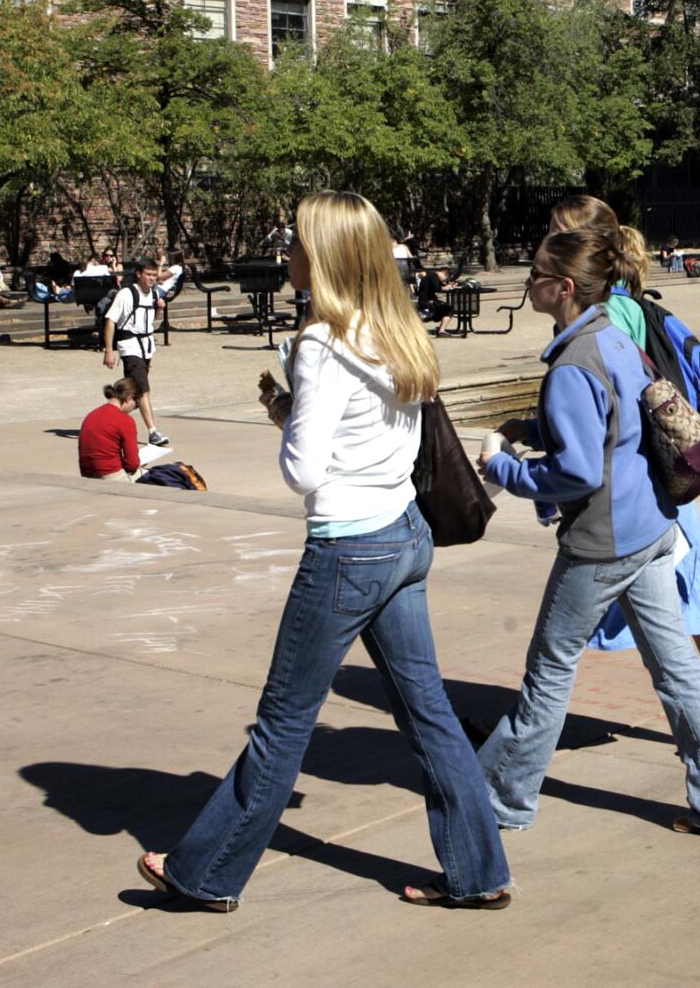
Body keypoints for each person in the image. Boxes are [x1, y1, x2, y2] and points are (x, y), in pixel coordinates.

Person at [140, 190, 511, 912]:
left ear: (325, 257)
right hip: (404, 534)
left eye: (296, 241)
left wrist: (289, 419)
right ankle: (479, 871)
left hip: (347, 547)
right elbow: (376, 439)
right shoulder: (395, 331)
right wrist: (294, 411)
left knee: (283, 719)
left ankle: (205, 872)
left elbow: (303, 471)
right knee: (429, 711)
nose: (286, 252)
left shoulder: (319, 343)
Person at [479, 228, 700, 836]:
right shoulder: (614, 337)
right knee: (680, 673)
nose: (525, 283)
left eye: (533, 274)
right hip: (654, 528)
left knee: (549, 672)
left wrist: (501, 464)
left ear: (561, 288)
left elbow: (578, 470)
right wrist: (535, 425)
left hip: (604, 543)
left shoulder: (572, 363)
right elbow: (620, 420)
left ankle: (497, 801)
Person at [548, 194, 700, 749]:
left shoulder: (611, 312)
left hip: (646, 495)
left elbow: (620, 405)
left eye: (554, 234)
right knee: (684, 606)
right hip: (659, 489)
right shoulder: (628, 302)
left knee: (675, 615)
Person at [102, 258, 169, 449]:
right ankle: (153, 431)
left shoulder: (153, 294)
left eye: (154, 275)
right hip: (130, 346)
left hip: (147, 346)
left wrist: (159, 309)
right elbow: (110, 321)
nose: (152, 278)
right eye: (148, 275)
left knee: (136, 395)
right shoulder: (126, 294)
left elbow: (149, 320)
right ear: (139, 274)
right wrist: (109, 350)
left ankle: (106, 421)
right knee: (143, 390)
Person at [78, 377, 144, 480]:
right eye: (137, 404)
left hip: (87, 474)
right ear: (129, 398)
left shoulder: (92, 415)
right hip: (111, 475)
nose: (134, 408)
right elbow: (132, 464)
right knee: (158, 476)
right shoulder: (125, 420)